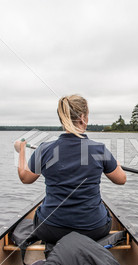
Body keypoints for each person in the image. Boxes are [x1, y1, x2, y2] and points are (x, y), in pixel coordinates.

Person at [15, 94, 127, 244]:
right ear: (83, 117)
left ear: (62, 119)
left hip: (50, 229)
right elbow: (121, 180)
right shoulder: (99, 149)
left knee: (40, 214)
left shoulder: (44, 149)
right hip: (94, 230)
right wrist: (116, 164)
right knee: (106, 215)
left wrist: (21, 150)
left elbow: (25, 178)